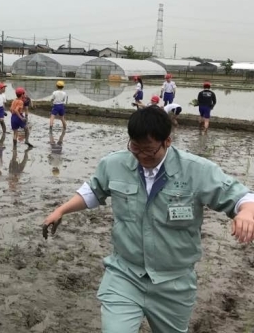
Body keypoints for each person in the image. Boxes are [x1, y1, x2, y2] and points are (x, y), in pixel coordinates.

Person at [42, 107, 254, 333]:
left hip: (174, 283)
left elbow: (241, 196)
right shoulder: (115, 164)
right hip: (125, 274)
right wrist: (61, 210)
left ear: (167, 142)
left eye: (149, 150)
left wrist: (247, 213)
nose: (142, 156)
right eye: (135, 148)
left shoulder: (197, 170)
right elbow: (94, 191)